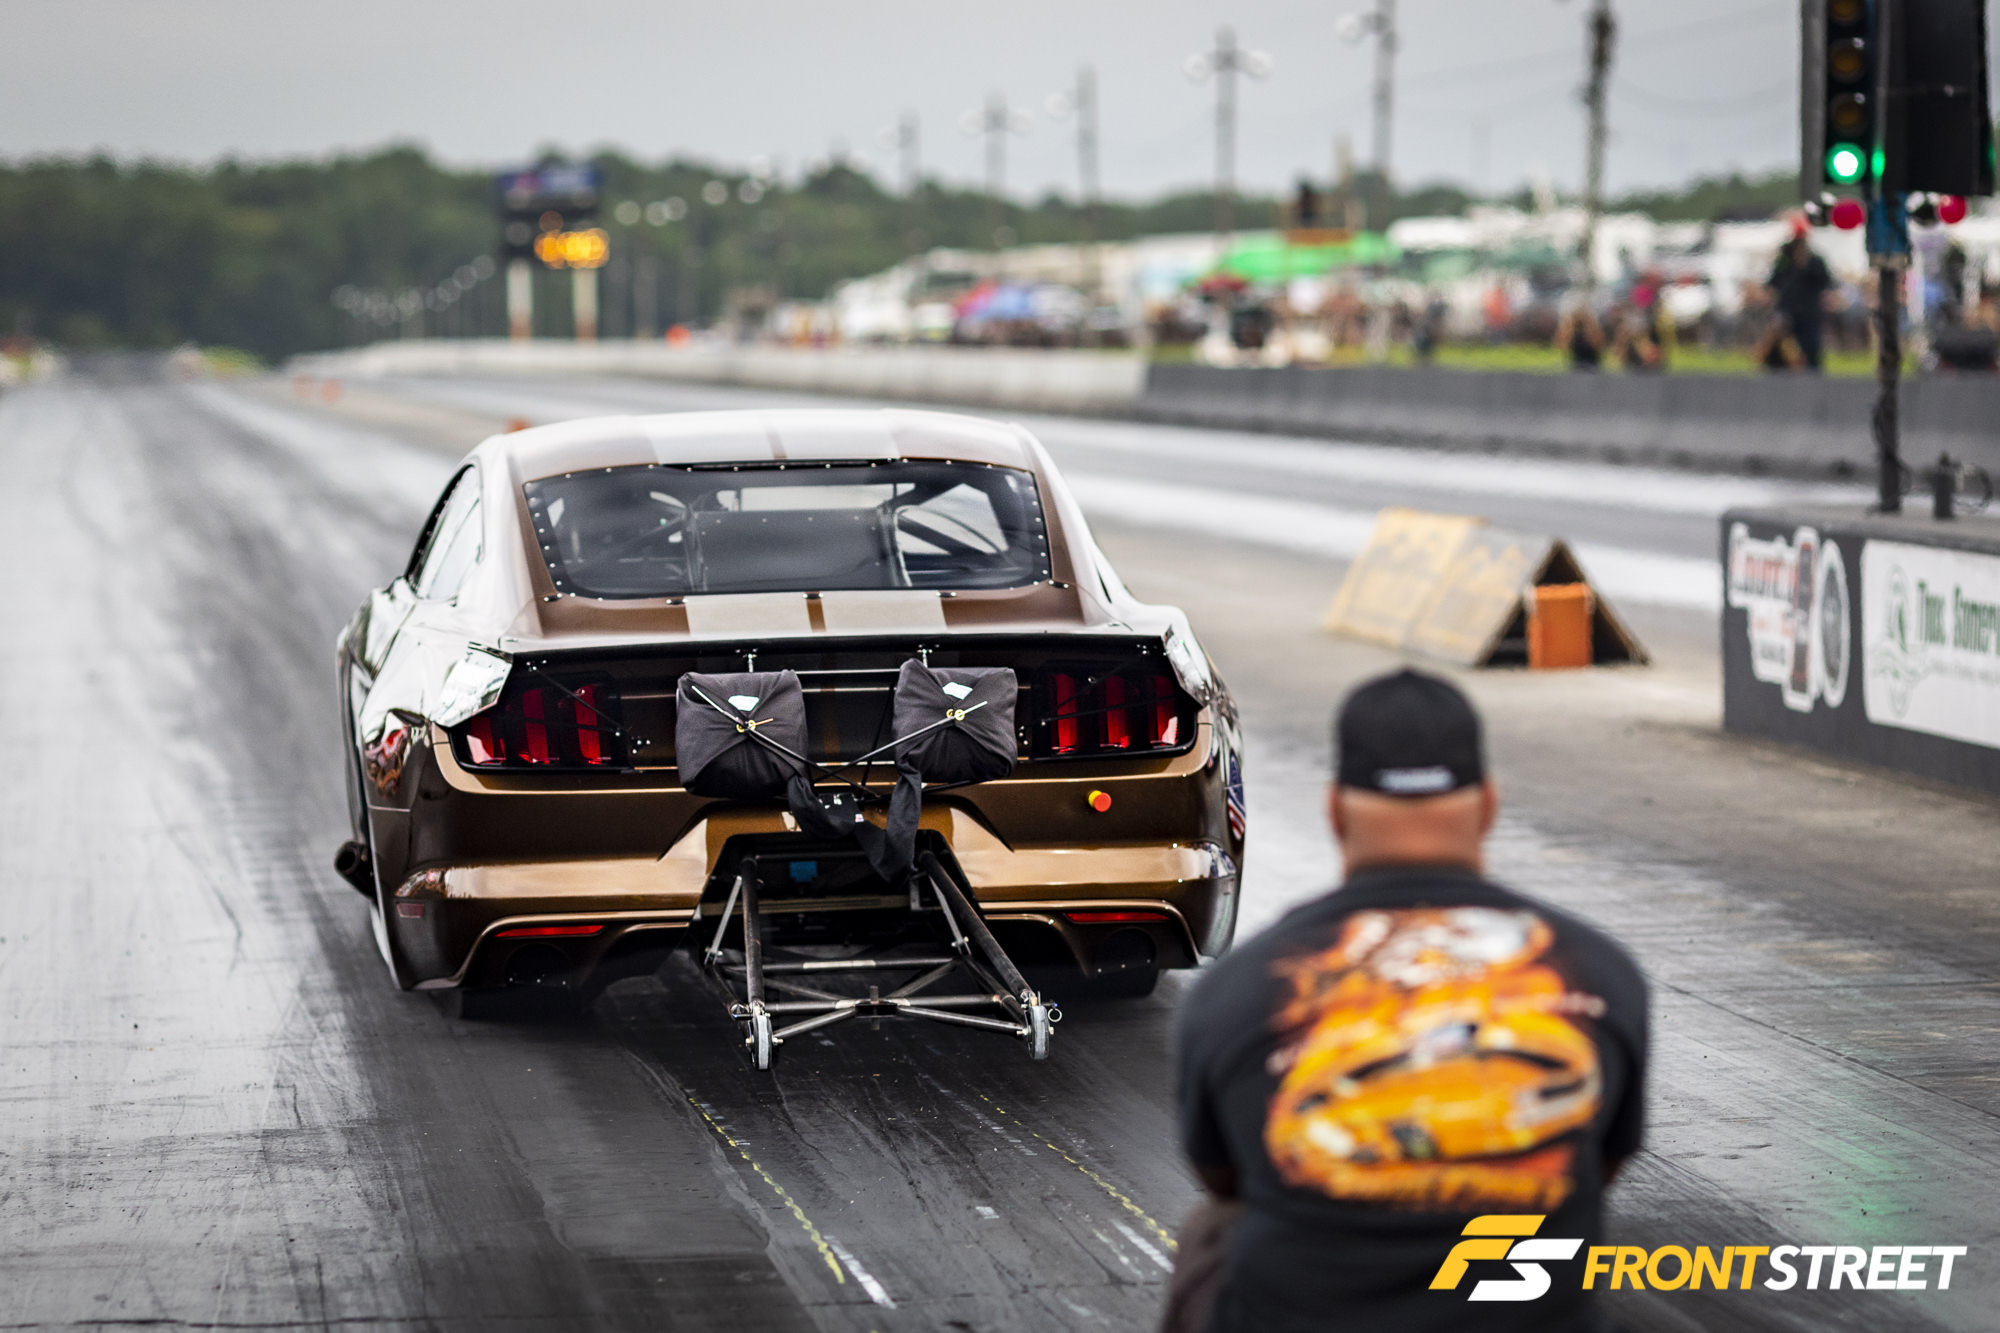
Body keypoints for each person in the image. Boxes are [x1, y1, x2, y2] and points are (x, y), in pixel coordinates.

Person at [1167, 669, 1650, 1333]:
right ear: (1488, 806)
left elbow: (1226, 1178)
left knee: (1211, 1230)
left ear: (1334, 811)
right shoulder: (1596, 973)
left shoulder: (1241, 990)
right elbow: (1600, 1163)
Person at [1763, 230, 1834, 372]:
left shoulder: (1815, 262)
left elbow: (1825, 283)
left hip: (1809, 313)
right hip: (1787, 312)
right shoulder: (1784, 261)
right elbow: (1773, 283)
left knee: (1810, 346)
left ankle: (1812, 370)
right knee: (1784, 347)